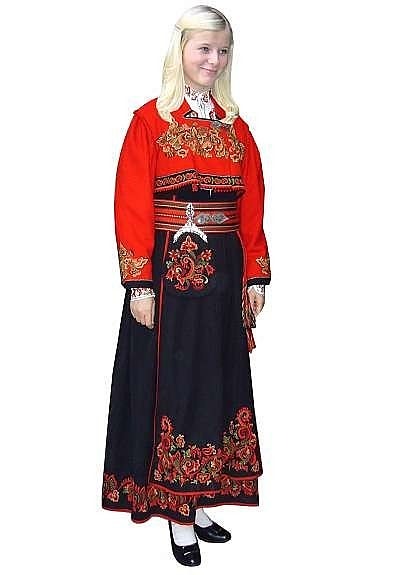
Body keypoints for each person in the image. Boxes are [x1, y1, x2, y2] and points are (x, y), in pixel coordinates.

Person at [101, 4, 272, 567]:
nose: (213, 60)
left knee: (216, 387)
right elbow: (131, 203)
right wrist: (138, 284)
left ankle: (200, 504)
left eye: (222, 50)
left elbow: (252, 207)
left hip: (222, 283)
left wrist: (255, 274)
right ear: (180, 51)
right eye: (204, 48)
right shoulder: (150, 122)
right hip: (169, 283)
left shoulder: (236, 128)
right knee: (177, 387)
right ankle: (177, 514)